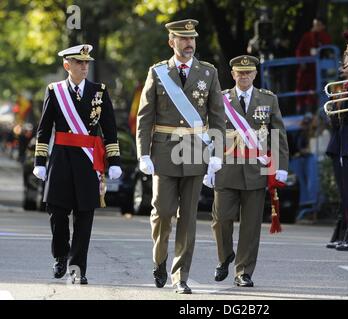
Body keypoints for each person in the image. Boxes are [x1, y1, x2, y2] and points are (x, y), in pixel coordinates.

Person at [136, 19, 226, 294]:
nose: (189, 44)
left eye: (192, 39)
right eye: (183, 39)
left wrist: (217, 153)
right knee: (162, 213)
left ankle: (180, 276)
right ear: (171, 42)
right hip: (164, 152)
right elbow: (145, 116)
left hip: (196, 152)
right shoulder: (158, 72)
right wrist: (143, 153)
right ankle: (159, 259)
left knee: (188, 217)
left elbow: (218, 117)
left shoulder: (208, 73)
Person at [33, 44, 122, 285]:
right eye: (79, 63)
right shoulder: (55, 91)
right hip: (61, 158)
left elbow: (110, 130)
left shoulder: (99, 92)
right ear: (67, 65)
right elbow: (44, 130)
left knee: (84, 216)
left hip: (87, 160)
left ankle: (77, 267)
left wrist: (113, 161)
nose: (84, 67)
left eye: (86, 63)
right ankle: (61, 255)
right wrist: (40, 161)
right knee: (57, 213)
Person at [207, 55, 289, 287]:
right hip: (226, 168)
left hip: (256, 169)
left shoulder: (268, 99)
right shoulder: (220, 99)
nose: (243, 76)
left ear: (255, 74)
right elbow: (210, 132)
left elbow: (278, 135)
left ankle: (243, 271)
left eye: (248, 72)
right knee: (220, 219)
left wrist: (280, 167)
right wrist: (207, 164)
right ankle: (225, 257)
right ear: (233, 75)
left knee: (251, 226)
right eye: (239, 73)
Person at [295, 17, 332, 112]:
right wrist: (301, 61)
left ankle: (315, 111)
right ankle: (301, 110)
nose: (315, 27)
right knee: (301, 89)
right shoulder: (307, 36)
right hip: (307, 68)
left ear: (323, 26)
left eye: (318, 25)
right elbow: (299, 50)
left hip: (319, 69)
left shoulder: (325, 36)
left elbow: (327, 49)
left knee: (317, 90)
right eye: (314, 25)